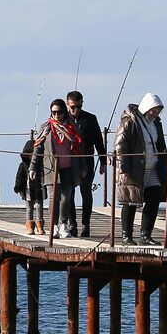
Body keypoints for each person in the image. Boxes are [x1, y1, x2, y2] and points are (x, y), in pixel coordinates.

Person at [114, 92, 167, 246]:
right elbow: (120, 144)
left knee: (154, 198)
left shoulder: (156, 123)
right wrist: (123, 167)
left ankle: (146, 235)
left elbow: (160, 144)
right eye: (154, 109)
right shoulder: (129, 121)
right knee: (130, 201)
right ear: (147, 107)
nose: (156, 112)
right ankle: (126, 236)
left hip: (152, 167)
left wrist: (165, 161)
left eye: (158, 109)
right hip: (133, 168)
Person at [31, 99, 83, 238]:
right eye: (53, 112)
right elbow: (38, 147)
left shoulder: (72, 127)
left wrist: (83, 167)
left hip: (69, 168)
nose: (56, 115)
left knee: (66, 198)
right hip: (51, 169)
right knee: (53, 198)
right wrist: (33, 167)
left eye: (59, 112)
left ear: (64, 112)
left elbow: (79, 149)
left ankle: (63, 225)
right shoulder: (46, 127)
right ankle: (53, 226)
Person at [63, 90, 106, 236]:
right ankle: (72, 224)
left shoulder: (90, 119)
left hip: (87, 161)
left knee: (86, 193)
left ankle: (85, 225)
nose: (75, 110)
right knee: (69, 194)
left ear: (82, 104)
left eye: (78, 107)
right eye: (72, 107)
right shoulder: (63, 119)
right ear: (67, 105)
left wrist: (103, 162)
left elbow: (99, 142)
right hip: (69, 163)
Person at [14, 130, 45, 234]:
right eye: (30, 153)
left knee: (39, 207)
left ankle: (40, 226)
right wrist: (18, 188)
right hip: (27, 190)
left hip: (39, 189)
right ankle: (30, 227)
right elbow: (19, 177)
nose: (32, 155)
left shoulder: (41, 165)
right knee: (29, 209)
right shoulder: (23, 165)